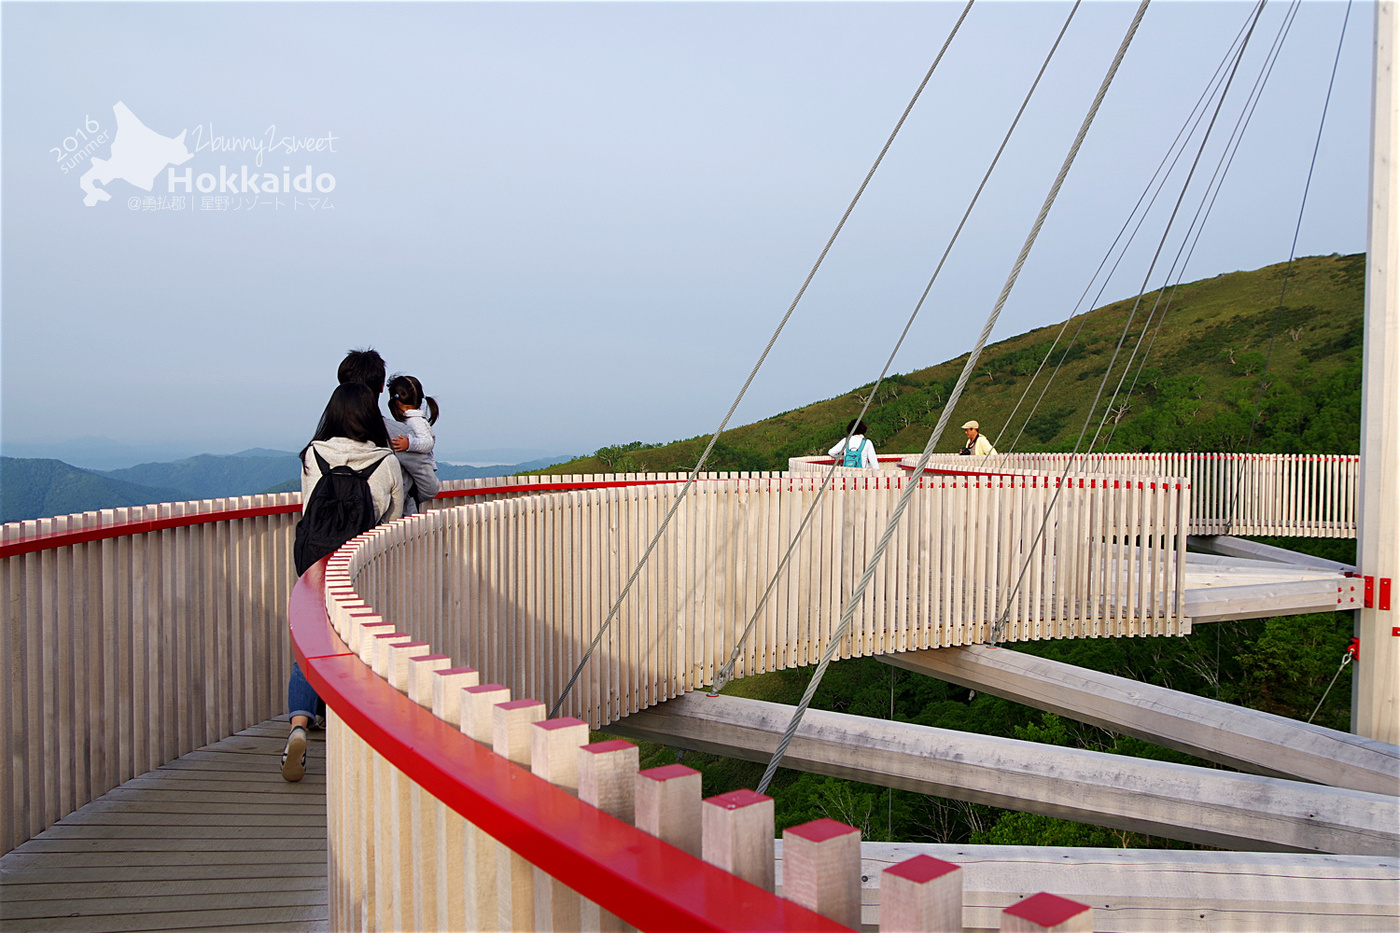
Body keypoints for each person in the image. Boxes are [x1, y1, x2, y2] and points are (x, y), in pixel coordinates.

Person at [282, 381, 404, 781]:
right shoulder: (386, 461)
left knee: (313, 643)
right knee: (354, 645)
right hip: (357, 568)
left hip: (315, 563)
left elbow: (307, 507)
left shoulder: (313, 454)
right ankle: (348, 726)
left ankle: (300, 723)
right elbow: (392, 522)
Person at [338, 348, 441, 507]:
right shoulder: (397, 434)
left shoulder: (323, 439)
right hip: (390, 524)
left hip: (336, 525)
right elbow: (429, 487)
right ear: (381, 387)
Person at [386, 374, 440, 515]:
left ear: (396, 400)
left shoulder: (415, 421)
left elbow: (428, 443)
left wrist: (409, 444)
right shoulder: (414, 419)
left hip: (421, 471)